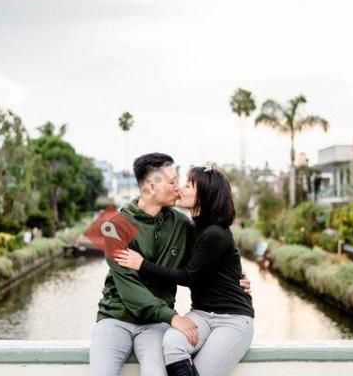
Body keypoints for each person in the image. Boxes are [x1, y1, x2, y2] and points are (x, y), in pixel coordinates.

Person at [90, 153, 250, 376]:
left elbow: (201, 264)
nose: (178, 188)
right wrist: (173, 317)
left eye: (181, 183)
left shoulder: (182, 224)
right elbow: (129, 290)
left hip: (156, 324)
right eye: (173, 182)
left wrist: (236, 279)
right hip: (116, 318)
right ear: (151, 187)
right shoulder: (113, 226)